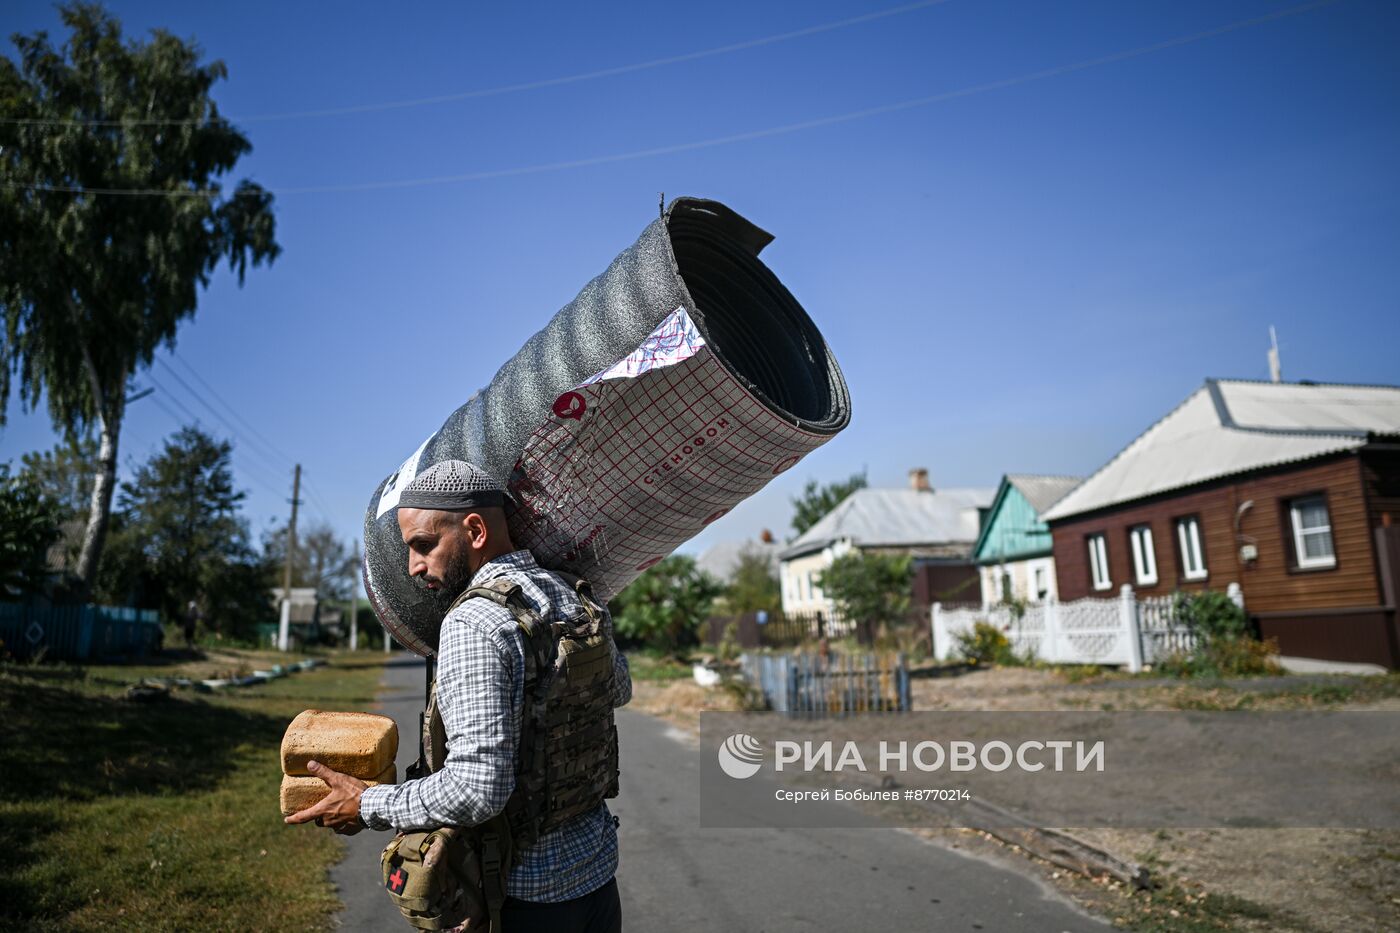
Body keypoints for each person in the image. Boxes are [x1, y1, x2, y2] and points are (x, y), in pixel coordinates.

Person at [286, 460, 631, 933]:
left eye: (424, 545)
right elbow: (619, 690)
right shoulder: (573, 592)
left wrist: (367, 804)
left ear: (473, 529)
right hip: (596, 882)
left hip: (523, 899)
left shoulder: (473, 623)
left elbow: (476, 789)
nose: (413, 566)